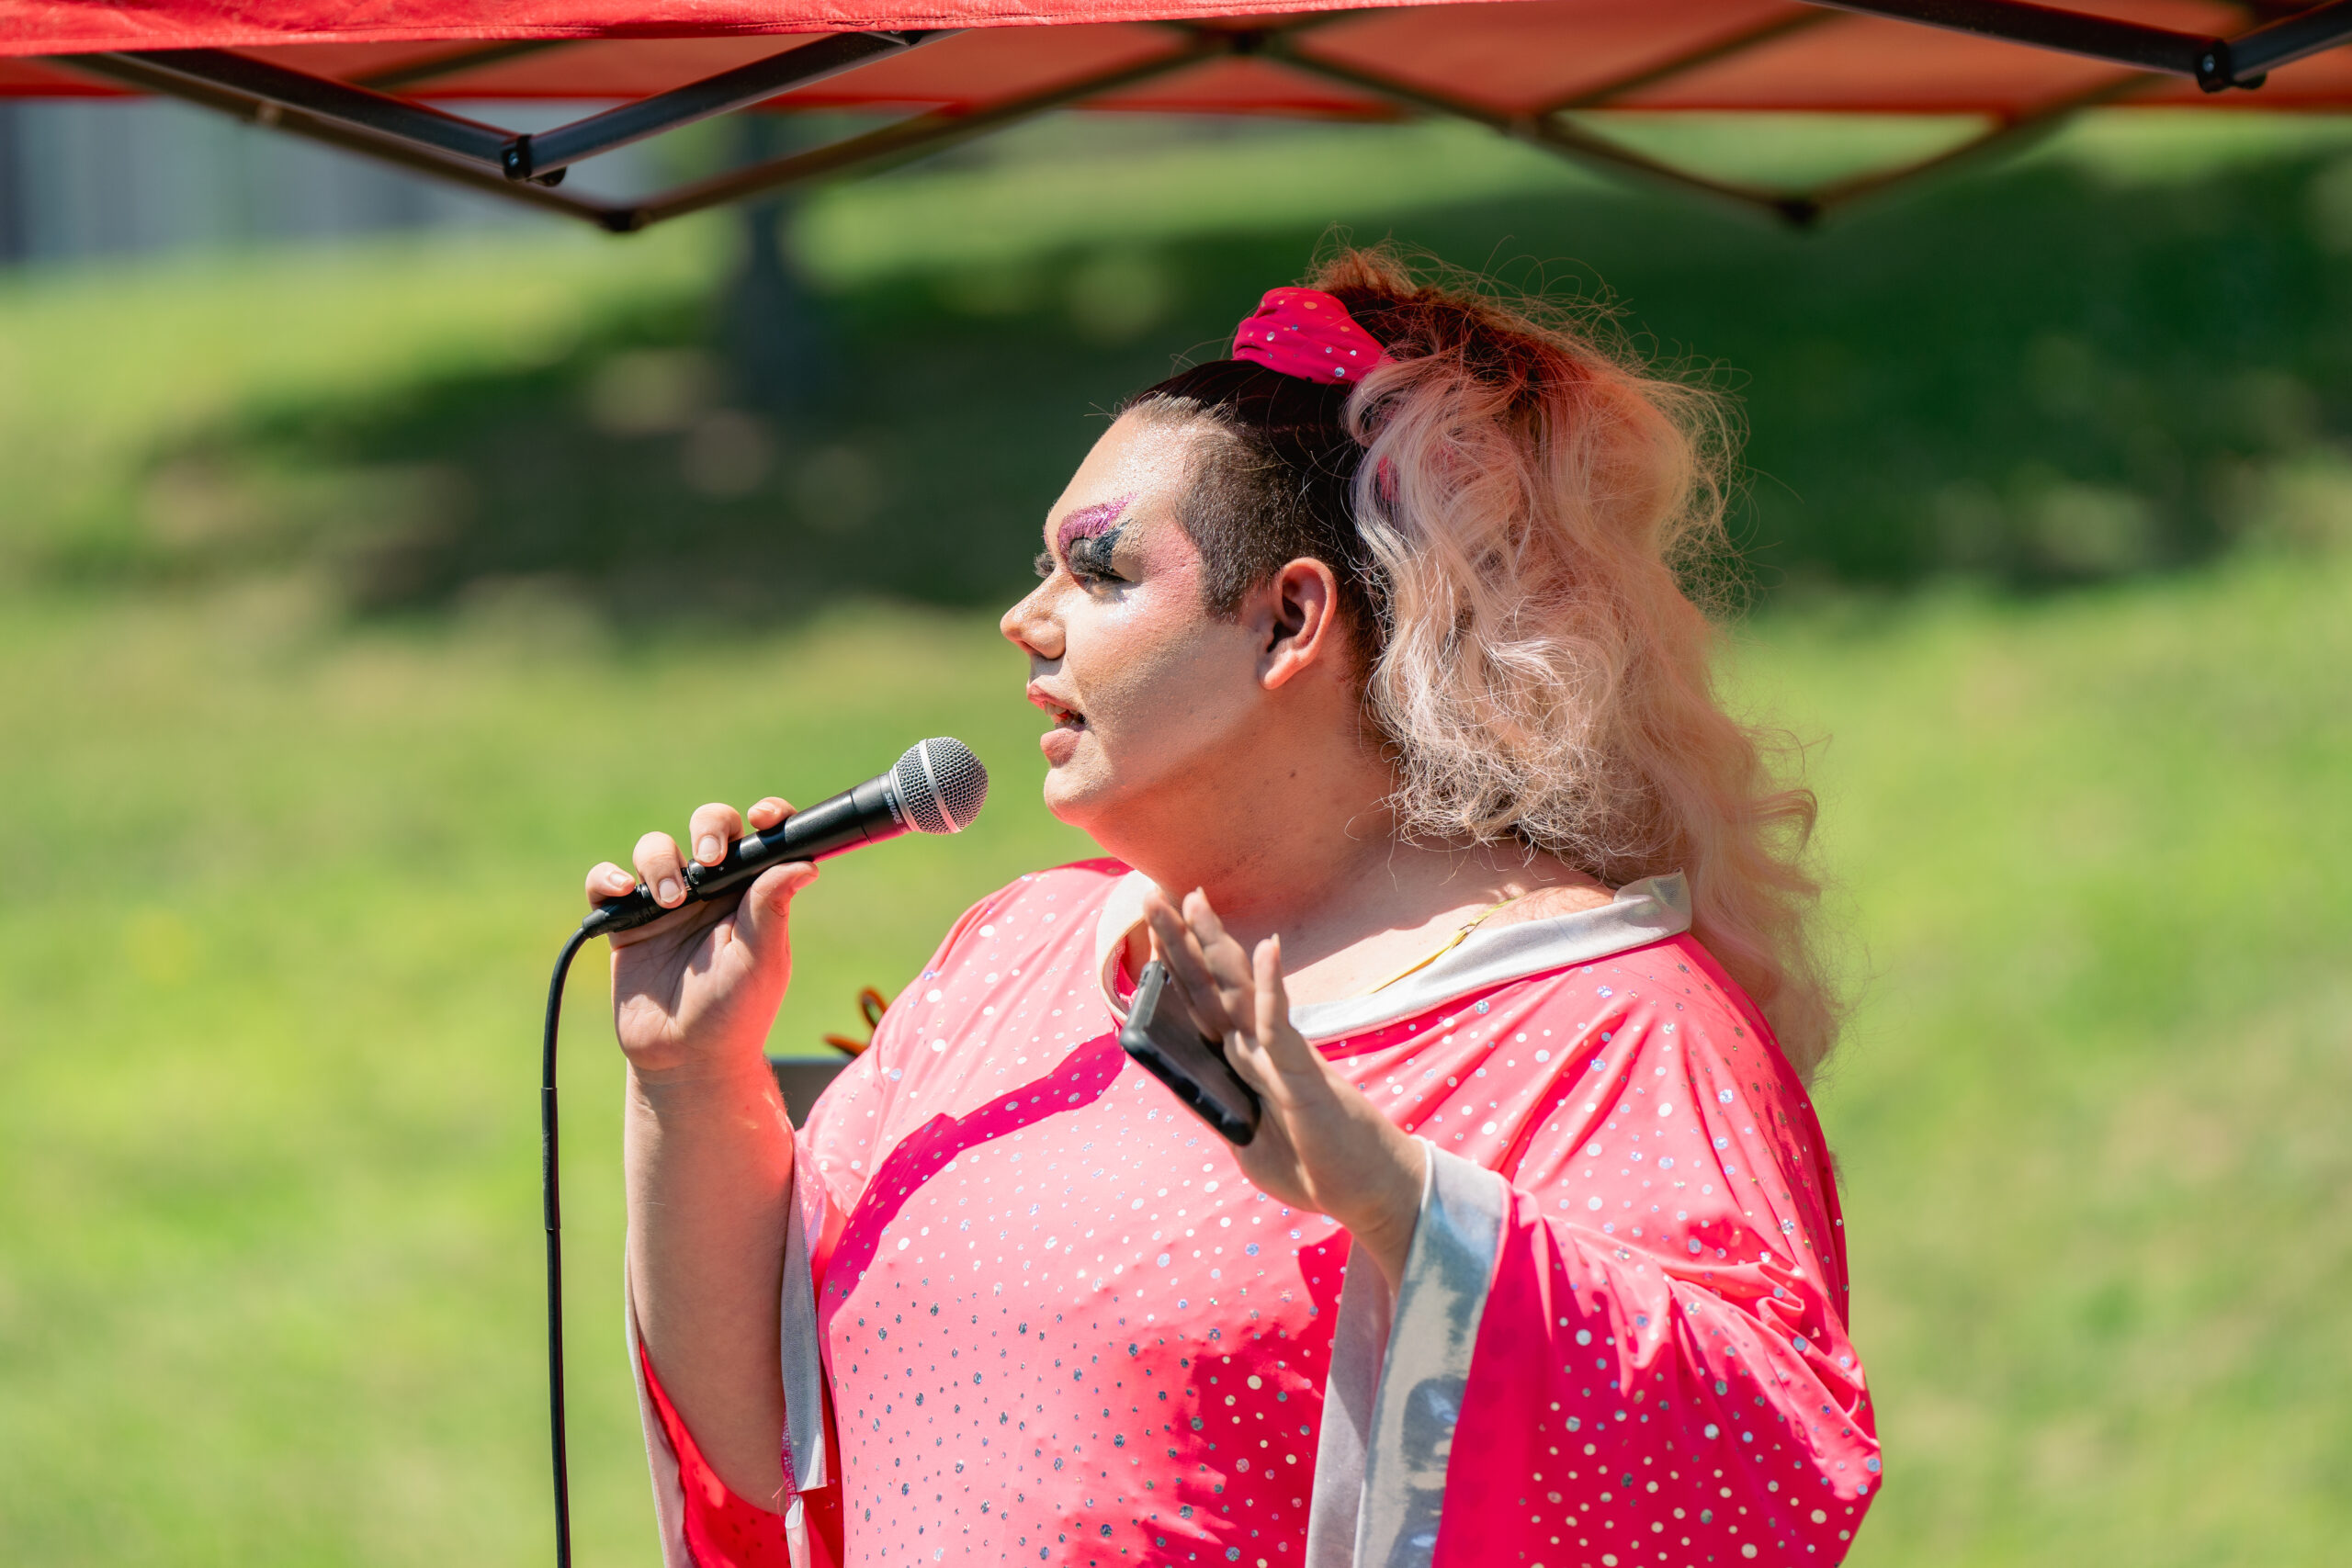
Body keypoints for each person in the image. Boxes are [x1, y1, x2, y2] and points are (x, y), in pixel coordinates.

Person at [589, 249, 1879, 1568]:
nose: (1022, 621)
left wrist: (1402, 1206)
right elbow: (773, 1449)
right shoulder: (1009, 954)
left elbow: (1763, 1476)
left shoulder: (1608, 1023)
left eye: (1096, 574)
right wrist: (689, 1079)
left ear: (1289, 620)